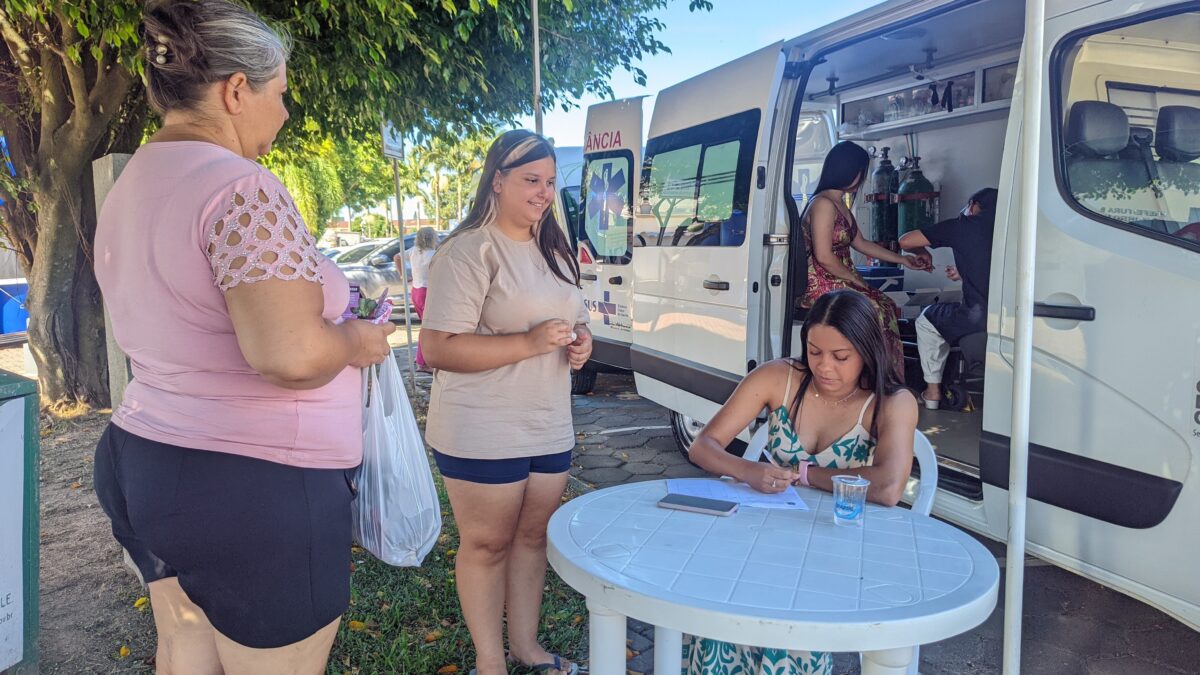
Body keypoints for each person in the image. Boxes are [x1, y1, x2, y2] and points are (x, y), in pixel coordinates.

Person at [92, 2, 395, 673]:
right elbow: (290, 355)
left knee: (184, 652)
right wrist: (360, 344)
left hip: (145, 457)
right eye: (280, 94)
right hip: (255, 488)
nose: (283, 116)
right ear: (236, 90)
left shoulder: (132, 183)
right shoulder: (241, 188)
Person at [419, 130, 591, 675]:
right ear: (497, 181)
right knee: (487, 545)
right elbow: (435, 347)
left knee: (532, 538)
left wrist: (583, 342)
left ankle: (526, 646)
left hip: (547, 421)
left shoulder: (554, 248)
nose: (543, 193)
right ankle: (489, 662)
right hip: (481, 426)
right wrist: (526, 343)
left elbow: (571, 318)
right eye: (530, 181)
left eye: (549, 182)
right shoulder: (470, 249)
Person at [684, 289, 919, 675]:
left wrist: (805, 474)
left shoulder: (891, 402)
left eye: (841, 357)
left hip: (843, 549)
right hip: (769, 535)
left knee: (793, 622)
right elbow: (704, 446)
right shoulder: (780, 378)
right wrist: (750, 471)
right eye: (814, 351)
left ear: (867, 351)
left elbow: (889, 486)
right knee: (720, 603)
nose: (825, 367)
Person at [801, 141, 930, 379]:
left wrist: (903, 260)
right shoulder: (822, 204)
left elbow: (862, 244)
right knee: (875, 309)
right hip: (823, 280)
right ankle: (871, 378)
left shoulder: (840, 204)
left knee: (887, 305)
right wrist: (857, 281)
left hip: (840, 276)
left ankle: (884, 379)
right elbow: (824, 256)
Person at [899, 187, 998, 409]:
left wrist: (922, 252)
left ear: (973, 205)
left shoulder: (963, 226)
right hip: (1005, 316)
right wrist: (964, 274)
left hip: (976, 316)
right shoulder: (1012, 230)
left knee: (927, 320)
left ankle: (932, 393)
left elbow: (906, 240)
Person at [396, 226, 439, 372]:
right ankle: (422, 362)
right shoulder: (434, 254)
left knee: (424, 326)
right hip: (428, 292)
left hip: (416, 291)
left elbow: (397, 257)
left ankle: (421, 357)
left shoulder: (414, 251)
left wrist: (403, 275)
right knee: (428, 328)